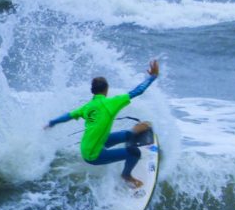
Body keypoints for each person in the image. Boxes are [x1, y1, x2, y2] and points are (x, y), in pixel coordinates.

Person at [45, 60, 160, 188]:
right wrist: (153, 77)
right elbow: (137, 91)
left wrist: (51, 123)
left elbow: (67, 116)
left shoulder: (87, 107)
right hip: (94, 156)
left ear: (92, 91)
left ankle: (129, 150)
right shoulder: (111, 103)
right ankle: (126, 175)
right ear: (106, 89)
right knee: (135, 153)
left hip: (87, 147)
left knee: (128, 135)